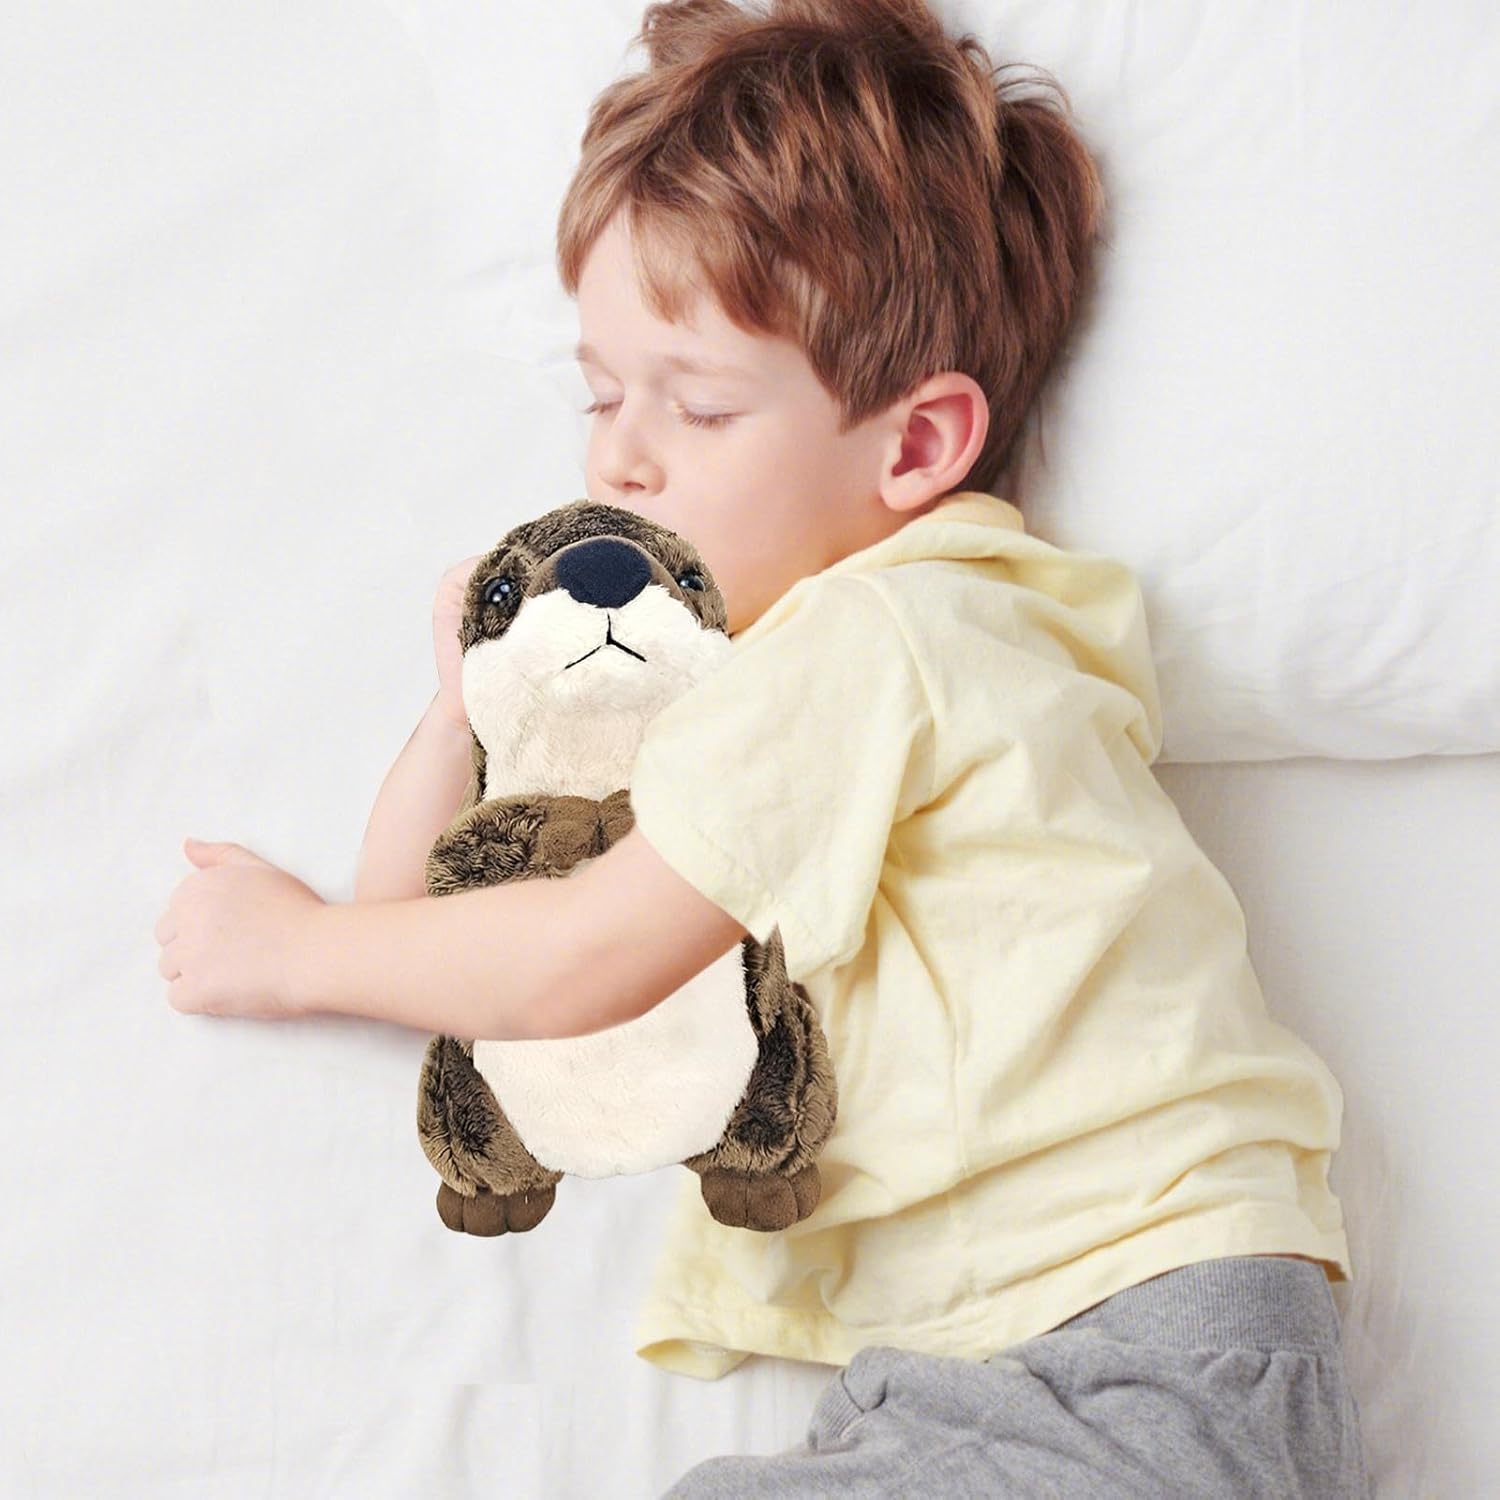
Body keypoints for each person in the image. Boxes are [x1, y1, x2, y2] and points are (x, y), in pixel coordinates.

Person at [155, 0, 1375, 1493]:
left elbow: (572, 961)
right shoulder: (792, 680)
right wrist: (461, 713)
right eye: (602, 393)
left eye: (700, 406)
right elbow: (440, 936)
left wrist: (290, 954)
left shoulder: (879, 638)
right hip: (1029, 1371)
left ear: (913, 448)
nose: (620, 457)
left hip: (1133, 1353)